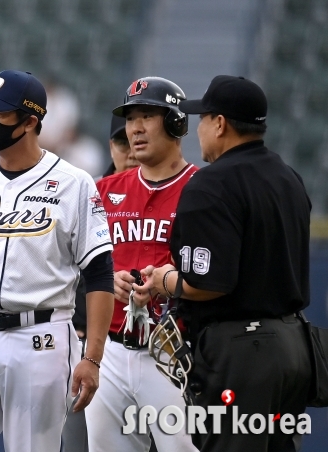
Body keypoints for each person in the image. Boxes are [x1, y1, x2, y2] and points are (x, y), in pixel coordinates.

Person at [0, 70, 115, 452]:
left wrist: (93, 358)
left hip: (40, 338)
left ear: (31, 122)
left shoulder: (74, 182)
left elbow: (100, 274)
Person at [138, 75, 312, 452]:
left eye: (203, 119)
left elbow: (208, 283)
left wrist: (165, 280)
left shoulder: (211, 184)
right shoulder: (289, 178)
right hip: (295, 348)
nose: (198, 128)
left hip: (242, 354)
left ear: (220, 124)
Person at [84, 77, 198, 452]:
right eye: (131, 118)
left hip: (176, 350)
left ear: (176, 123)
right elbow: (72, 267)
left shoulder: (204, 188)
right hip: (112, 352)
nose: (135, 127)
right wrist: (103, 279)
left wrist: (168, 282)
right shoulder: (105, 190)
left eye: (147, 116)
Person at [62, 113, 140, 452]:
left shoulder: (174, 193)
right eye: (122, 142)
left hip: (152, 348)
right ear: (111, 145)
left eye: (136, 139)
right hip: (89, 346)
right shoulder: (86, 194)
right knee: (79, 444)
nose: (132, 150)